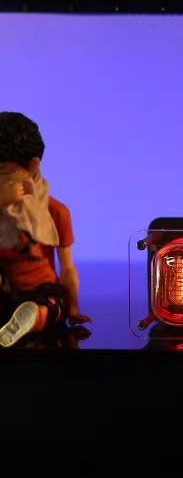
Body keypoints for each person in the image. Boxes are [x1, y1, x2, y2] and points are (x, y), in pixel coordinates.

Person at [0, 112, 90, 347]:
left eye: (2, 170)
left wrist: (73, 310)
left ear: (31, 166)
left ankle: (33, 318)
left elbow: (67, 268)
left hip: (42, 291)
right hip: (7, 290)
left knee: (52, 305)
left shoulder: (55, 212)